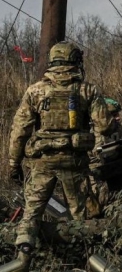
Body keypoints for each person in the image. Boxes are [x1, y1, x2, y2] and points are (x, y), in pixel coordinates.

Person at [6, 41, 113, 256]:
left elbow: (19, 131)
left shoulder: (35, 91)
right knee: (80, 216)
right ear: (75, 61)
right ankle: (85, 259)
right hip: (75, 163)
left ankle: (23, 254)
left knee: (32, 213)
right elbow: (105, 126)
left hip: (43, 162)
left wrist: (13, 164)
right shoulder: (87, 90)